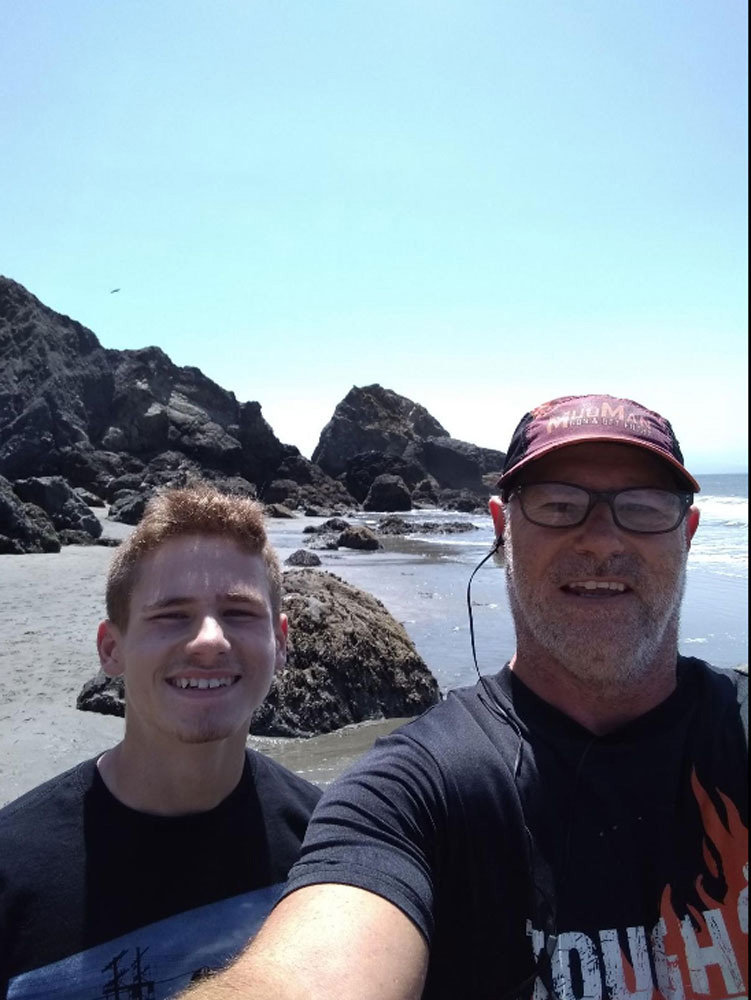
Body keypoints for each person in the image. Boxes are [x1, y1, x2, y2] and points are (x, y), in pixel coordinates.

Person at [183, 394, 748, 1000]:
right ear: (503, 530)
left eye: (642, 507)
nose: (601, 539)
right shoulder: (414, 795)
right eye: (559, 505)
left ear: (687, 534)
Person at [0, 483, 321, 999]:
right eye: (172, 615)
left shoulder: (328, 847)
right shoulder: (12, 871)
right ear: (111, 649)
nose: (210, 640)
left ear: (280, 642)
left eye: (239, 613)